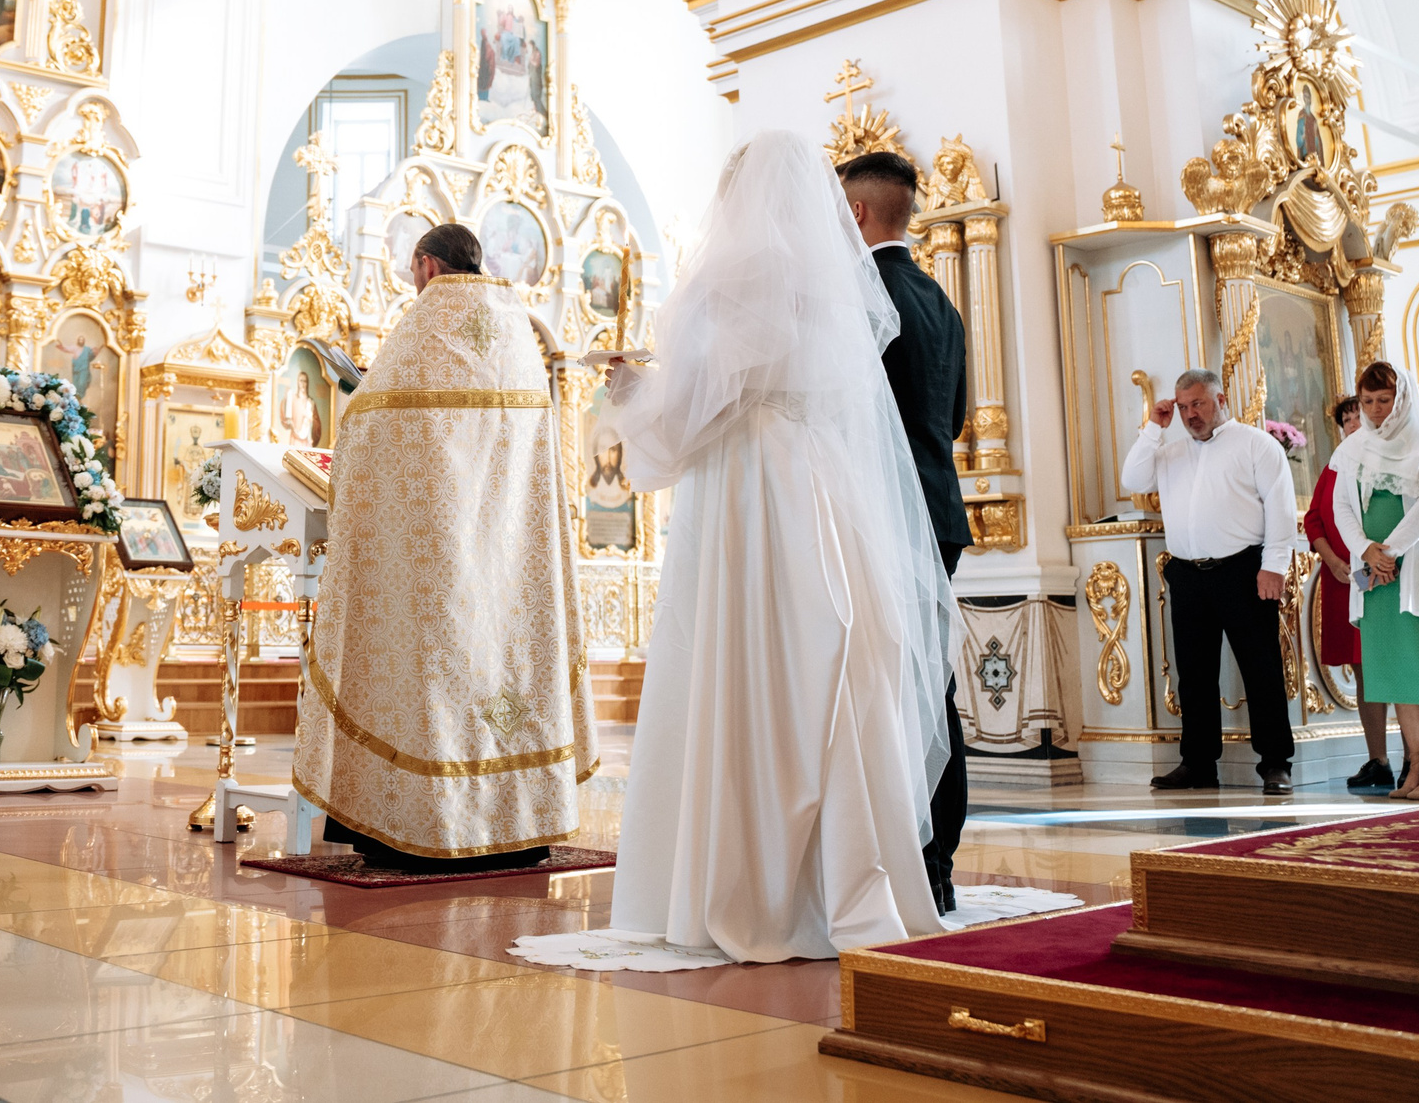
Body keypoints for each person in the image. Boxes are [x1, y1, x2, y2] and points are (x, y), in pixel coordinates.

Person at [598, 132, 954, 959]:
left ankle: (745, 886)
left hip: (747, 488)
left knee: (745, 662)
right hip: (824, 488)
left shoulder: (725, 282)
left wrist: (626, 392)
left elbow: (691, 411)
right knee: (829, 664)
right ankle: (841, 883)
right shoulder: (837, 291)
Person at [295, 221, 594, 873]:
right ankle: (521, 828)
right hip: (513, 562)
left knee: (430, 677)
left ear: (428, 267)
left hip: (435, 561)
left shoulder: (425, 328)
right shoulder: (517, 332)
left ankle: (422, 825)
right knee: (507, 666)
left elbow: (367, 423)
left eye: (411, 269)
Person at [837, 148, 972, 911]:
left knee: (886, 686)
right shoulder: (941, 300)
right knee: (931, 682)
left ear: (856, 213)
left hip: (883, 514)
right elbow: (950, 419)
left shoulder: (859, 295)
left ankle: (903, 856)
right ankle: (937, 861)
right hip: (939, 513)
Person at [1122, 367, 1298, 794]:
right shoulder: (1170, 452)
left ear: (1221, 400)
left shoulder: (1257, 445)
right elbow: (1131, 480)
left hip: (1244, 571)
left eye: (1197, 404)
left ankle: (1275, 764)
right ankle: (1198, 763)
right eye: (1182, 407)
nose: (1189, 415)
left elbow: (1280, 507)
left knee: (1261, 670)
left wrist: (1274, 565)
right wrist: (1153, 428)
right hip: (1187, 574)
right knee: (1194, 675)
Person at [1330, 363, 1419, 801]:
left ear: (1401, 398)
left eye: (1383, 400)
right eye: (1367, 402)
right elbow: (1341, 509)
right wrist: (1366, 550)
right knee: (1397, 669)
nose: (1375, 410)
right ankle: (1417, 762)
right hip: (1378, 575)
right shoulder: (1354, 448)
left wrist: (1390, 549)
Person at [1303, 395, 1389, 789]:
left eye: (1359, 415)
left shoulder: (1388, 457)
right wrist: (1331, 561)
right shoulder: (1335, 464)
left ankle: (1416, 754)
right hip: (1341, 578)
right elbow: (1315, 519)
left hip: (1381, 574)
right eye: (1347, 419)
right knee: (1360, 667)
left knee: (1387, 663)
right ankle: (1378, 759)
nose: (1354, 423)